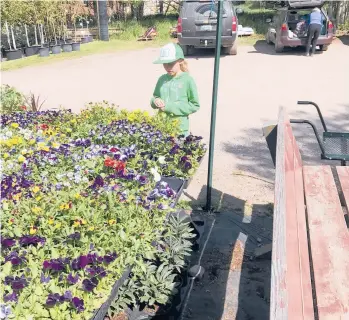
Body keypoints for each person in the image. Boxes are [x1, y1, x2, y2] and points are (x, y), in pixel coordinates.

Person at [150, 43, 200, 137]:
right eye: (165, 64)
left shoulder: (187, 80)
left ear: (180, 61)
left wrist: (169, 107)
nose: (168, 67)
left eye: (171, 64)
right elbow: (155, 96)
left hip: (179, 129)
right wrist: (155, 101)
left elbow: (194, 105)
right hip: (161, 127)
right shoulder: (162, 79)